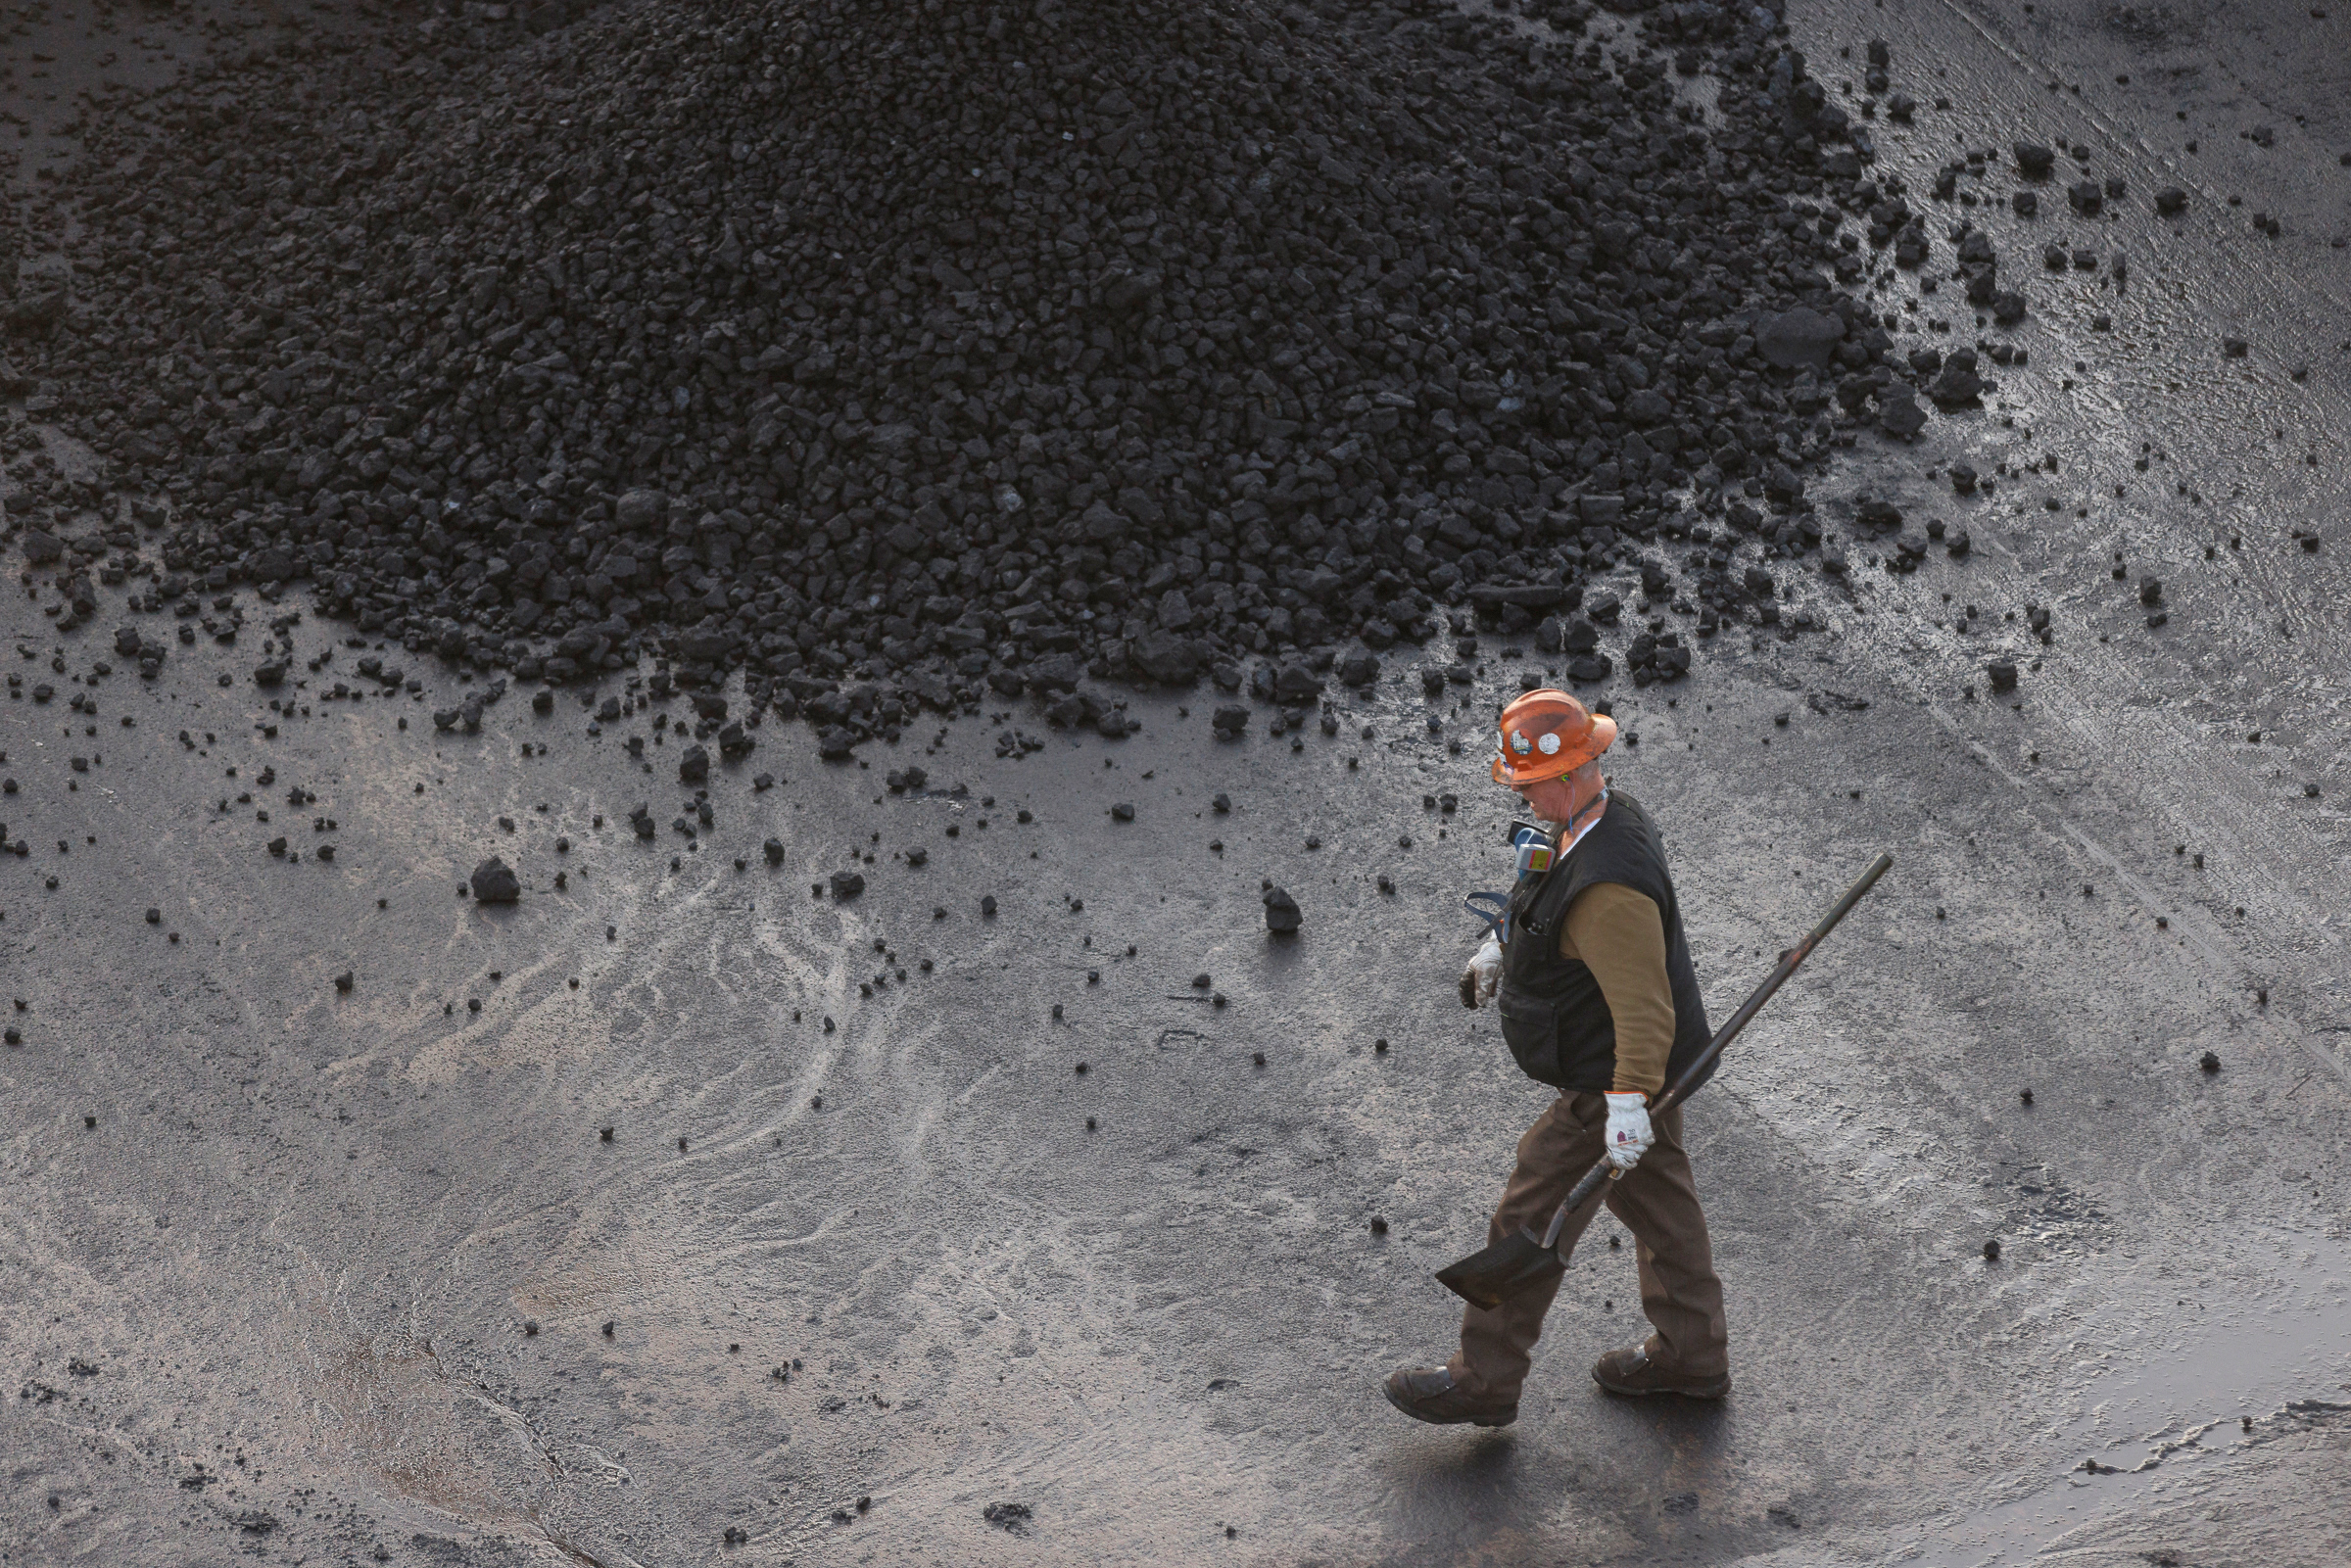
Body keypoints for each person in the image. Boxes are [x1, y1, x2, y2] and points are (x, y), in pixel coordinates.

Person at [1384, 689, 1730, 1428]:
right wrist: (1502, 944)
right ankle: (1692, 1354)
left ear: (1570, 773)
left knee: (1530, 1213)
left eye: (1526, 780)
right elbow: (1544, 887)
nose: (1519, 791)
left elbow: (1644, 1008)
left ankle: (1483, 1378)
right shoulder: (1595, 820)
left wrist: (1629, 1103)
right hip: (1632, 1069)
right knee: (1663, 1209)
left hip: (1611, 1078)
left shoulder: (1608, 888)